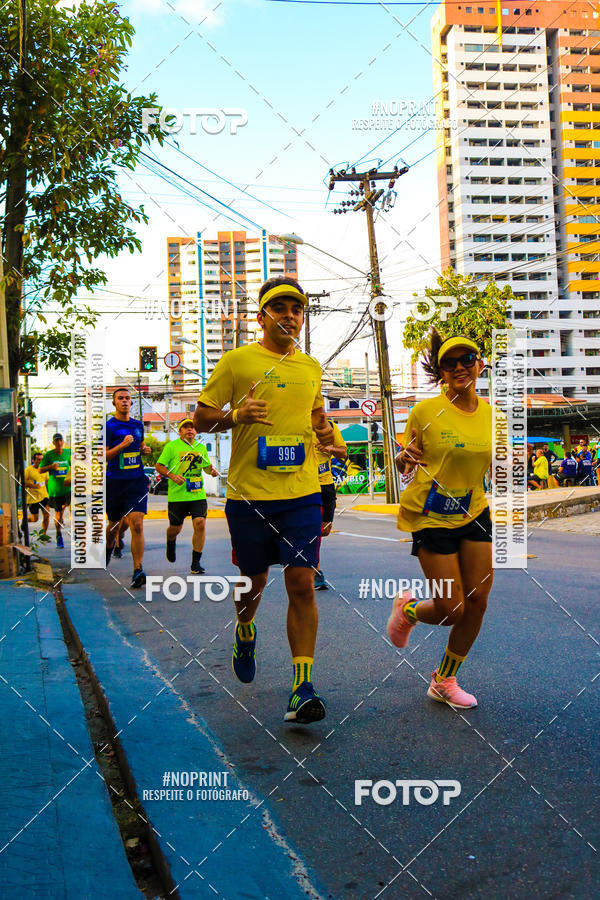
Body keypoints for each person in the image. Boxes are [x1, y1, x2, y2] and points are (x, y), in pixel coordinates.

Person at [194, 275, 334, 724]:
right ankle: (245, 627)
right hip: (249, 497)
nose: (290, 316)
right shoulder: (237, 362)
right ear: (262, 317)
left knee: (302, 583)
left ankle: (302, 687)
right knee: (252, 583)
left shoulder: (310, 367)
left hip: (301, 494)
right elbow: (201, 418)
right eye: (280, 308)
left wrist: (329, 436)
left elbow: (317, 418)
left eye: (297, 309)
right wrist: (237, 415)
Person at [386, 331, 493, 710]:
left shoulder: (492, 414)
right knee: (452, 610)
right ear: (441, 372)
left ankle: (444, 680)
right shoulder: (425, 412)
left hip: (473, 511)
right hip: (431, 514)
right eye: (450, 363)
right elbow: (404, 459)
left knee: (477, 601)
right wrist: (403, 459)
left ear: (480, 364)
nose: (460, 367)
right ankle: (408, 610)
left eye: (467, 359)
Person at [155, 418, 218, 574]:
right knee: (175, 529)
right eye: (185, 427)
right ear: (180, 431)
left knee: (200, 524)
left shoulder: (200, 447)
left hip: (197, 494)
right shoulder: (171, 447)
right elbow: (159, 466)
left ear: (196, 431)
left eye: (192, 427)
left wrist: (212, 471)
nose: (189, 430)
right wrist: (172, 475)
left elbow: (206, 468)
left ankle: (196, 563)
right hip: (178, 497)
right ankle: (170, 540)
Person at [105, 388, 152, 588]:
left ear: (131, 402)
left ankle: (137, 569)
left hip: (136, 481)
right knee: (114, 525)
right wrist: (121, 446)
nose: (124, 401)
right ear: (114, 403)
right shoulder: (109, 426)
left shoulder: (137, 425)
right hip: (115, 482)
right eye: (120, 398)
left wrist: (144, 449)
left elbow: (140, 446)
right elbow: (104, 455)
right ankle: (109, 547)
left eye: (127, 398)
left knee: (137, 524)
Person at [313, 420, 347, 590]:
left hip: (326, 485)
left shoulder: (329, 426)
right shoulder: (297, 424)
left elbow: (343, 453)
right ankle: (316, 572)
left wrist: (330, 449)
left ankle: (301, 546)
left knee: (324, 530)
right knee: (312, 531)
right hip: (305, 486)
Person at [39, 434, 71, 548]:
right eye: (56, 441)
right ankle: (59, 535)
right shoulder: (48, 455)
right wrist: (51, 467)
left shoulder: (68, 452)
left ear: (63, 442)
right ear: (53, 443)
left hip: (69, 488)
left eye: (60, 440)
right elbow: (40, 470)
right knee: (59, 515)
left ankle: (77, 535)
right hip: (56, 491)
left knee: (75, 511)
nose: (59, 442)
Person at [24, 451, 50, 540]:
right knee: (34, 519)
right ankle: (25, 520)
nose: (40, 461)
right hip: (33, 498)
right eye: (38, 460)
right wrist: (33, 486)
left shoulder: (44, 470)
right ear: (33, 460)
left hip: (44, 496)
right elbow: (22, 483)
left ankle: (44, 535)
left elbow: (47, 481)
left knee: (47, 515)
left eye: (42, 460)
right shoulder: (28, 470)